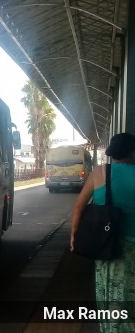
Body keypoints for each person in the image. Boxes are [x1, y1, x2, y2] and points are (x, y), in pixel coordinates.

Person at [70, 132, 135, 332]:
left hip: (106, 243)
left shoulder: (99, 173)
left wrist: (74, 235)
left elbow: (79, 207)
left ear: (112, 153)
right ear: (133, 151)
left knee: (109, 292)